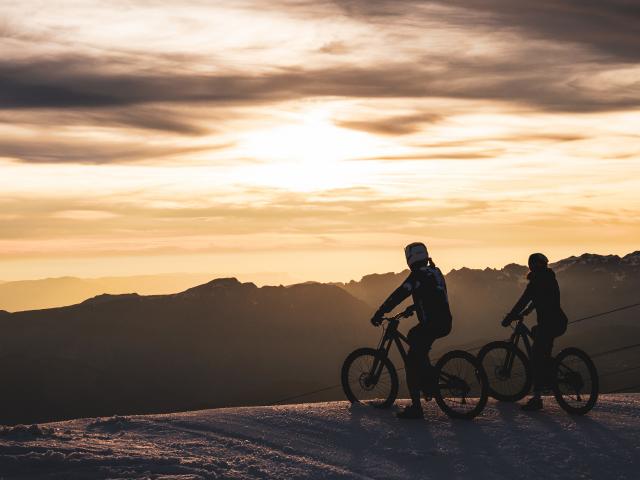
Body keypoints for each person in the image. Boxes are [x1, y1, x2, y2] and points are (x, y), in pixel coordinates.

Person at [371, 242, 453, 419]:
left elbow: (399, 294)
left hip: (430, 324)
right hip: (445, 322)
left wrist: (380, 312)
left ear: (410, 258)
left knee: (411, 361)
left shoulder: (416, 276)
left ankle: (417, 408)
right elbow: (434, 296)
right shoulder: (435, 272)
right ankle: (429, 379)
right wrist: (414, 308)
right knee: (417, 344)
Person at [502, 253, 568, 411]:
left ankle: (537, 398)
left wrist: (510, 317)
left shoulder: (538, 281)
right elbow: (539, 299)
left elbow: (525, 298)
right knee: (537, 336)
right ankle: (548, 372)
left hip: (550, 324)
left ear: (532, 265)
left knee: (536, 357)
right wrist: (527, 311)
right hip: (557, 322)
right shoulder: (548, 278)